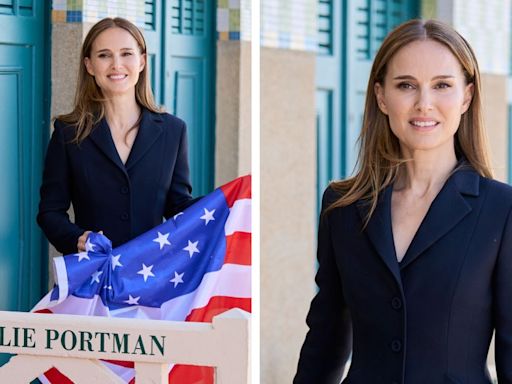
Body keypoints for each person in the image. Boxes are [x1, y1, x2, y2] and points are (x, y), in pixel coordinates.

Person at [294, 19, 512, 384]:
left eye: (442, 85)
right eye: (406, 85)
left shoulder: (501, 210)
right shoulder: (343, 206)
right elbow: (326, 336)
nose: (424, 104)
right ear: (381, 96)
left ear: (466, 96)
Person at [38, 17, 194, 255]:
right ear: (89, 65)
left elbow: (179, 206)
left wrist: (231, 204)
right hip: (92, 277)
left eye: (126, 54)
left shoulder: (173, 131)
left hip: (151, 279)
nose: (116, 64)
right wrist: (79, 239)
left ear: (142, 61)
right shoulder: (68, 132)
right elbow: (50, 212)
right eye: (104, 55)